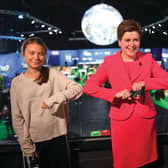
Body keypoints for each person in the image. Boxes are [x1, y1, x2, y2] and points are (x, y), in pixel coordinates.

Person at [83, 19, 168, 168]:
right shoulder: (110, 62)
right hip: (122, 122)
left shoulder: (147, 59)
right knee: (124, 162)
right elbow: (89, 86)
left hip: (144, 122)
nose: (132, 44)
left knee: (147, 163)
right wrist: (114, 94)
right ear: (119, 42)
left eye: (135, 40)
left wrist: (146, 84)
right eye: (127, 40)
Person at [10, 36, 83, 168]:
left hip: (58, 138)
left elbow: (77, 89)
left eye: (40, 53)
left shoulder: (52, 74)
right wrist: (27, 147)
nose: (36, 57)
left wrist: (53, 99)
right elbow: (17, 117)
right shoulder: (17, 83)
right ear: (23, 55)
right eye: (32, 53)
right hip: (34, 142)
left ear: (45, 56)